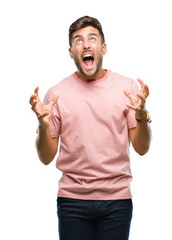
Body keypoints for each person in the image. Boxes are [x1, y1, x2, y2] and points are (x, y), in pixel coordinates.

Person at [28, 15, 151, 240]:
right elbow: (46, 157)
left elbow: (142, 148)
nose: (85, 44)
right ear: (71, 52)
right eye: (78, 40)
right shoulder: (56, 94)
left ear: (103, 48)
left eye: (92, 39)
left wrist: (141, 116)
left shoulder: (128, 88)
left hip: (117, 200)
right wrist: (43, 126)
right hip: (72, 200)